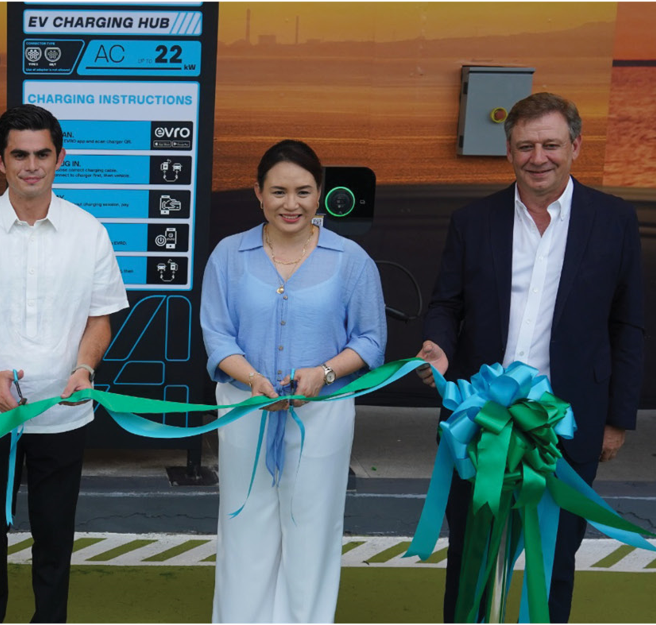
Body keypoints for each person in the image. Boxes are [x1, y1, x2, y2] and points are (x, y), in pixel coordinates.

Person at [417, 92, 644, 623]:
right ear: (508, 151)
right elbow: (447, 304)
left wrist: (617, 419)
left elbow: (628, 325)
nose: (537, 157)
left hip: (567, 419)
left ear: (576, 146)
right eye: (525, 145)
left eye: (550, 144)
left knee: (555, 555)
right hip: (480, 416)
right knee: (471, 556)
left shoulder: (614, 221)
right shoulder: (473, 220)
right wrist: (439, 348)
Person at [0, 104, 129, 623]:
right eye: (20, 154)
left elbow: (100, 319)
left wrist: (84, 370)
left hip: (64, 416)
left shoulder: (90, 232)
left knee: (56, 538)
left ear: (61, 157)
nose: (32, 165)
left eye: (43, 154)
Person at [199, 140, 387, 623]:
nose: (291, 204)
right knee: (245, 526)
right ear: (257, 192)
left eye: (303, 191)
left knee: (312, 529)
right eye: (278, 191)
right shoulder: (228, 254)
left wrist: (323, 372)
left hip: (321, 415)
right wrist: (254, 379)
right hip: (245, 408)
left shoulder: (350, 259)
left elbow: (371, 340)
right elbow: (217, 335)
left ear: (320, 193)